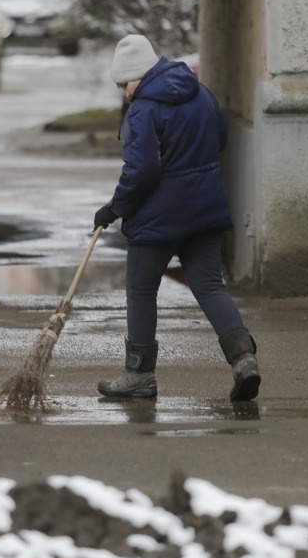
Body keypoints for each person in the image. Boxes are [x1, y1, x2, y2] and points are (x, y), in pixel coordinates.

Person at [93, 34, 261, 402]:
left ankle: (139, 376)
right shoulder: (200, 93)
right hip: (204, 210)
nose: (125, 93)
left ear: (138, 74)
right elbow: (219, 136)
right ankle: (243, 359)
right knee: (209, 286)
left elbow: (142, 171)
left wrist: (115, 208)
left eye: (125, 83)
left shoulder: (143, 109)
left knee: (140, 290)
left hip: (159, 217)